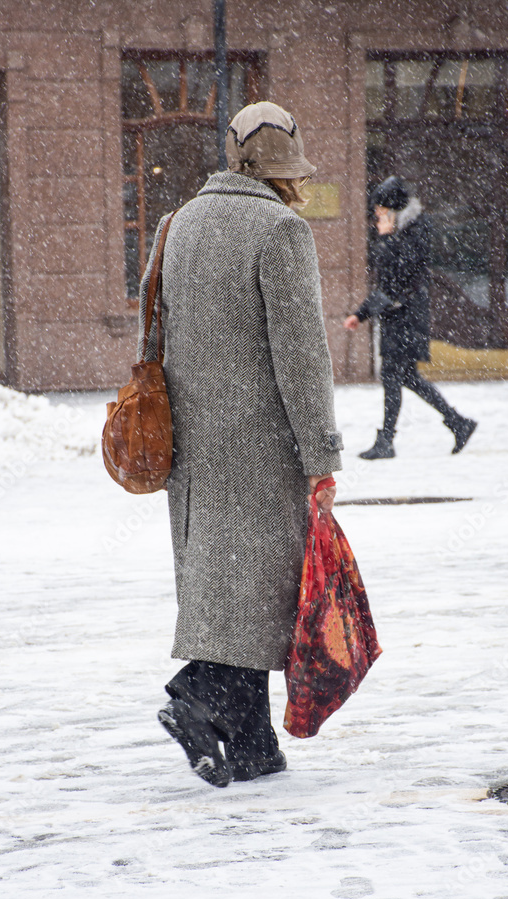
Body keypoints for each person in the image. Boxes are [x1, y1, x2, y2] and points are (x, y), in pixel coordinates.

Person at [138, 102, 342, 788]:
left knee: (224, 590)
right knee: (260, 591)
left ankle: (254, 747)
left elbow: (155, 330)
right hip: (261, 445)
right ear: (287, 173)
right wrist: (322, 456)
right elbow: (303, 357)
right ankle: (196, 694)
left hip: (191, 449)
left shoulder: (177, 223)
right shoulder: (279, 230)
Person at [344, 176, 477, 459]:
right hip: (400, 316)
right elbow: (390, 282)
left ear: (392, 208)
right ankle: (457, 422)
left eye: (380, 208)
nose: (376, 213)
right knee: (407, 378)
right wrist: (363, 313)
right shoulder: (404, 230)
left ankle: (388, 441)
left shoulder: (411, 232)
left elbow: (394, 280)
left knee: (395, 377)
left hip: (405, 318)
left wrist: (362, 313)